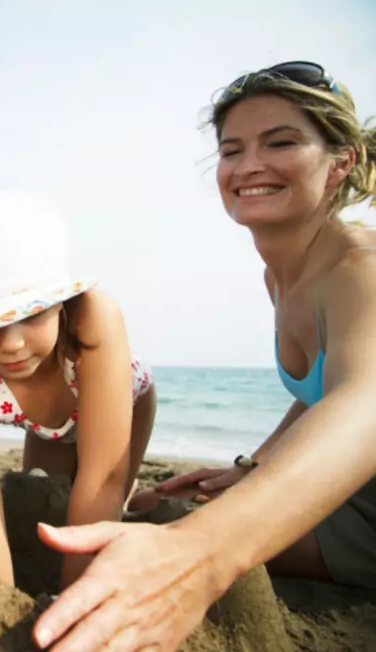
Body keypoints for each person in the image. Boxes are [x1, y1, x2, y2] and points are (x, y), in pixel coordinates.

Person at [31, 61, 376, 651]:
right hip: (350, 483)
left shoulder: (359, 271)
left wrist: (202, 555)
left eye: (281, 142)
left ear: (340, 161)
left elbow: (365, 403)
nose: (248, 166)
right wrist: (255, 465)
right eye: (232, 149)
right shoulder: (283, 274)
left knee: (174, 526)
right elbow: (320, 392)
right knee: (151, 503)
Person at [0, 192, 157, 591]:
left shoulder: (93, 320)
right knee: (48, 499)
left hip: (124, 402)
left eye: (29, 314)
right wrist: (2, 606)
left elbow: (103, 477)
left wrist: (73, 600)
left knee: (105, 495)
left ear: (60, 302)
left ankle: (135, 508)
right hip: (47, 426)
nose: (11, 344)